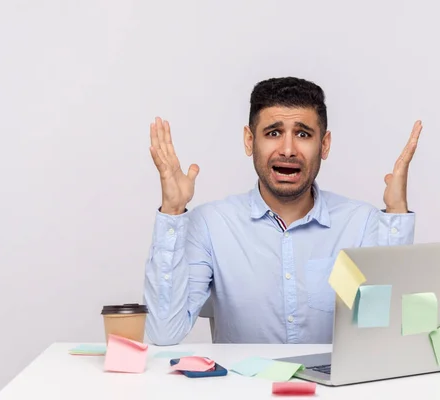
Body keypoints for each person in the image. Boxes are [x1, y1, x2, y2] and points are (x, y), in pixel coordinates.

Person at [143, 77, 422, 345]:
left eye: (303, 134)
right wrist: (173, 210)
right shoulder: (210, 224)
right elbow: (165, 332)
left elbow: (385, 331)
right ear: (249, 141)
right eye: (273, 133)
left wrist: (396, 213)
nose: (288, 149)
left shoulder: (361, 223)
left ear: (323, 145)